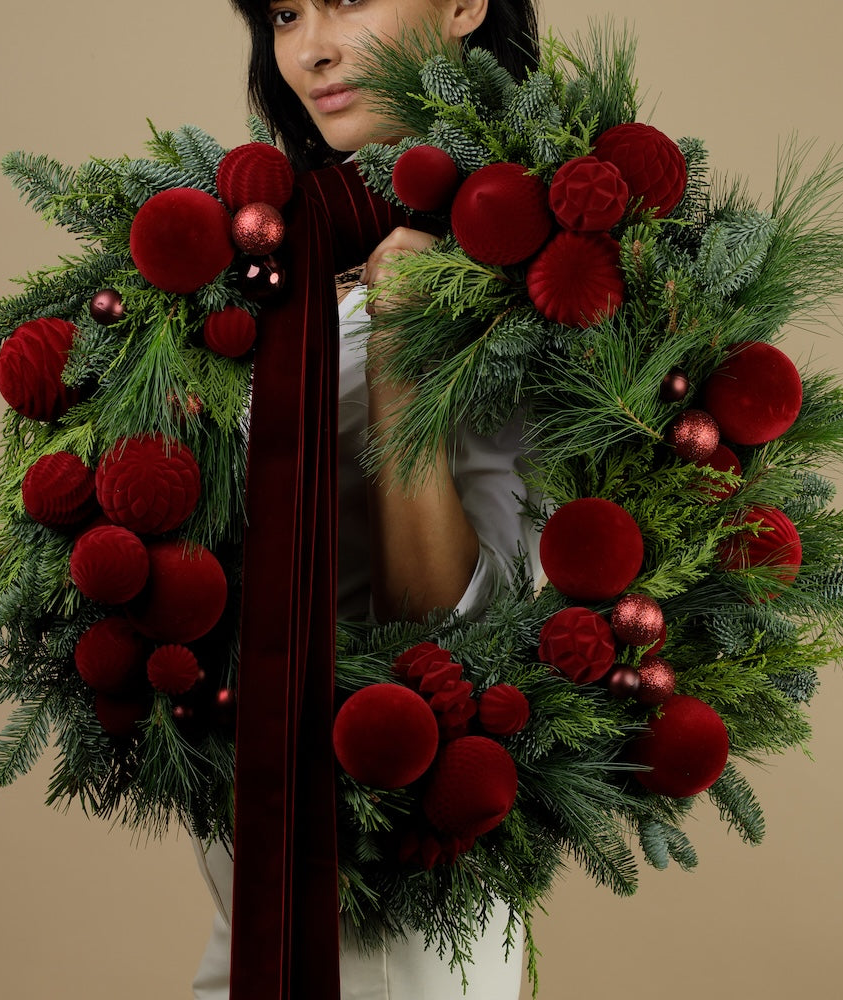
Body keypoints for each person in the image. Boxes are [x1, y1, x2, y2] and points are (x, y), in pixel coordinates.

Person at [192, 1, 542, 996]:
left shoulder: (522, 265)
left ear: (465, 3)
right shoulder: (285, 256)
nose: (311, 48)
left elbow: (450, 644)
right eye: (285, 11)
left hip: (394, 906)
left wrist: (399, 357)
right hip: (253, 883)